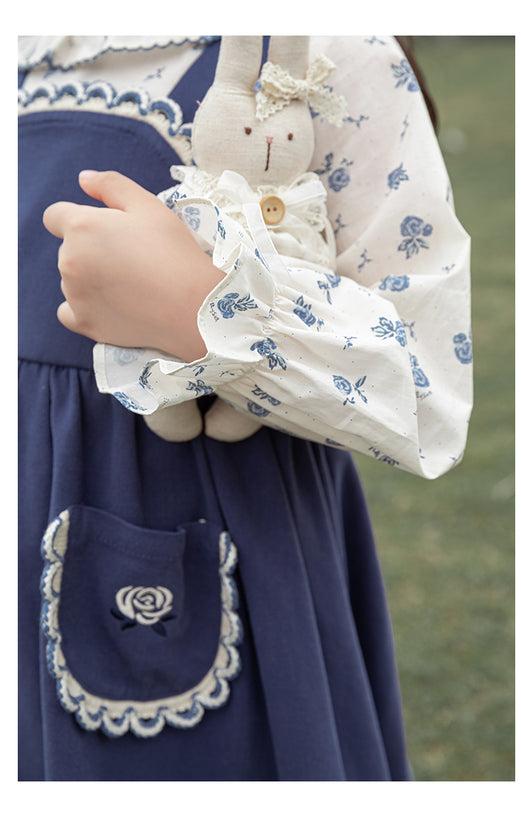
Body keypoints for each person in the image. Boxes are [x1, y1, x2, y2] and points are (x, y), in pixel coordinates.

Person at [18, 35, 472, 781]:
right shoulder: (29, 49)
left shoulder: (332, 53)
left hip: (212, 581)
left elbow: (428, 397)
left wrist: (205, 312)